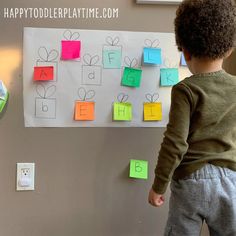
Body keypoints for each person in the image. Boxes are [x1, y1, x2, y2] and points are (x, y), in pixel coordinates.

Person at [148, 0, 236, 235]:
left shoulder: (184, 90)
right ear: (229, 49)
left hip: (190, 180)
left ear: (185, 51)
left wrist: (159, 185)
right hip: (230, 180)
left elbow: (175, 143)